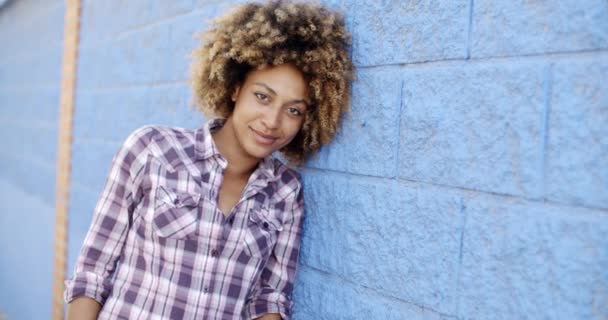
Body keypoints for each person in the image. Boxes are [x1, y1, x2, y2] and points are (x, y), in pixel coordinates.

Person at [64, 1, 353, 319]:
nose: (272, 120)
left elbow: (269, 298)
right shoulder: (151, 150)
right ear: (235, 88)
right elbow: (93, 271)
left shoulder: (286, 192)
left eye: (293, 109)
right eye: (262, 96)